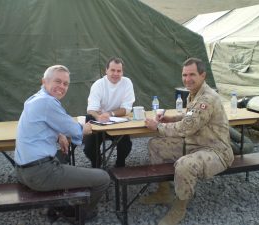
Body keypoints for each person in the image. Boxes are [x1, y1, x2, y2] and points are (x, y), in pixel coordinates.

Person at [141, 58, 234, 225]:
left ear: (203, 75)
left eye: (192, 74)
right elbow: (190, 116)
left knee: (184, 164)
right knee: (156, 145)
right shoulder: (194, 94)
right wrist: (171, 117)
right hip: (195, 145)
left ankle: (180, 207)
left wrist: (158, 126)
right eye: (184, 75)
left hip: (215, 151)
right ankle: (163, 192)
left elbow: (186, 129)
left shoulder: (207, 99)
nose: (187, 79)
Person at [14, 65, 110, 221]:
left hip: (22, 171)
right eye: (57, 81)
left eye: (65, 84)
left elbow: (47, 122)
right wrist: (87, 126)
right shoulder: (48, 102)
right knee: (103, 178)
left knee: (62, 157)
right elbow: (77, 130)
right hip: (39, 174)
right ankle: (79, 214)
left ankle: (57, 206)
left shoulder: (35, 98)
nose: (62, 87)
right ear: (44, 81)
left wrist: (59, 135)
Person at [84, 57, 135, 168]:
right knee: (88, 149)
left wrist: (110, 114)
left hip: (117, 122)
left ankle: (120, 165)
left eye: (119, 71)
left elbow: (127, 109)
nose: (115, 74)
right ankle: (97, 163)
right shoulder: (98, 84)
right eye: (112, 70)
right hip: (98, 122)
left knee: (126, 146)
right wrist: (98, 117)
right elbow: (91, 109)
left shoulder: (127, 83)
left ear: (122, 72)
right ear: (106, 70)